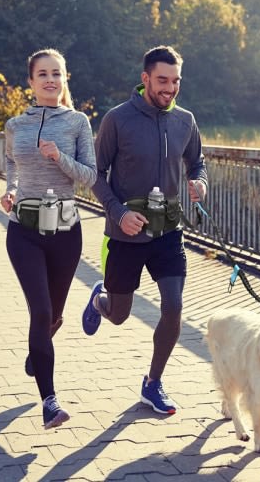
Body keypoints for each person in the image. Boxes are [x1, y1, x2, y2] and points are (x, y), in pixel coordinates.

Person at [81, 45, 207, 415]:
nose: (169, 88)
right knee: (119, 315)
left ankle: (152, 383)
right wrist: (118, 213)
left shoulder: (185, 119)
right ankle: (99, 299)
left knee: (173, 307)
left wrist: (199, 182)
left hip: (168, 231)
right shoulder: (117, 120)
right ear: (145, 79)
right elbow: (95, 175)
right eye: (162, 80)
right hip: (126, 235)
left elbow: (197, 162)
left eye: (176, 81)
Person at [0, 48, 96, 429]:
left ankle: (36, 349)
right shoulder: (15, 124)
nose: (50, 80)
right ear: (31, 81)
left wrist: (60, 158)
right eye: (43, 74)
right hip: (23, 231)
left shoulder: (77, 122)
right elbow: (10, 160)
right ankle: (50, 402)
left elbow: (89, 176)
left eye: (57, 73)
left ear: (65, 79)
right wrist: (11, 189)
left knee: (52, 317)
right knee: (40, 312)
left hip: (65, 233)